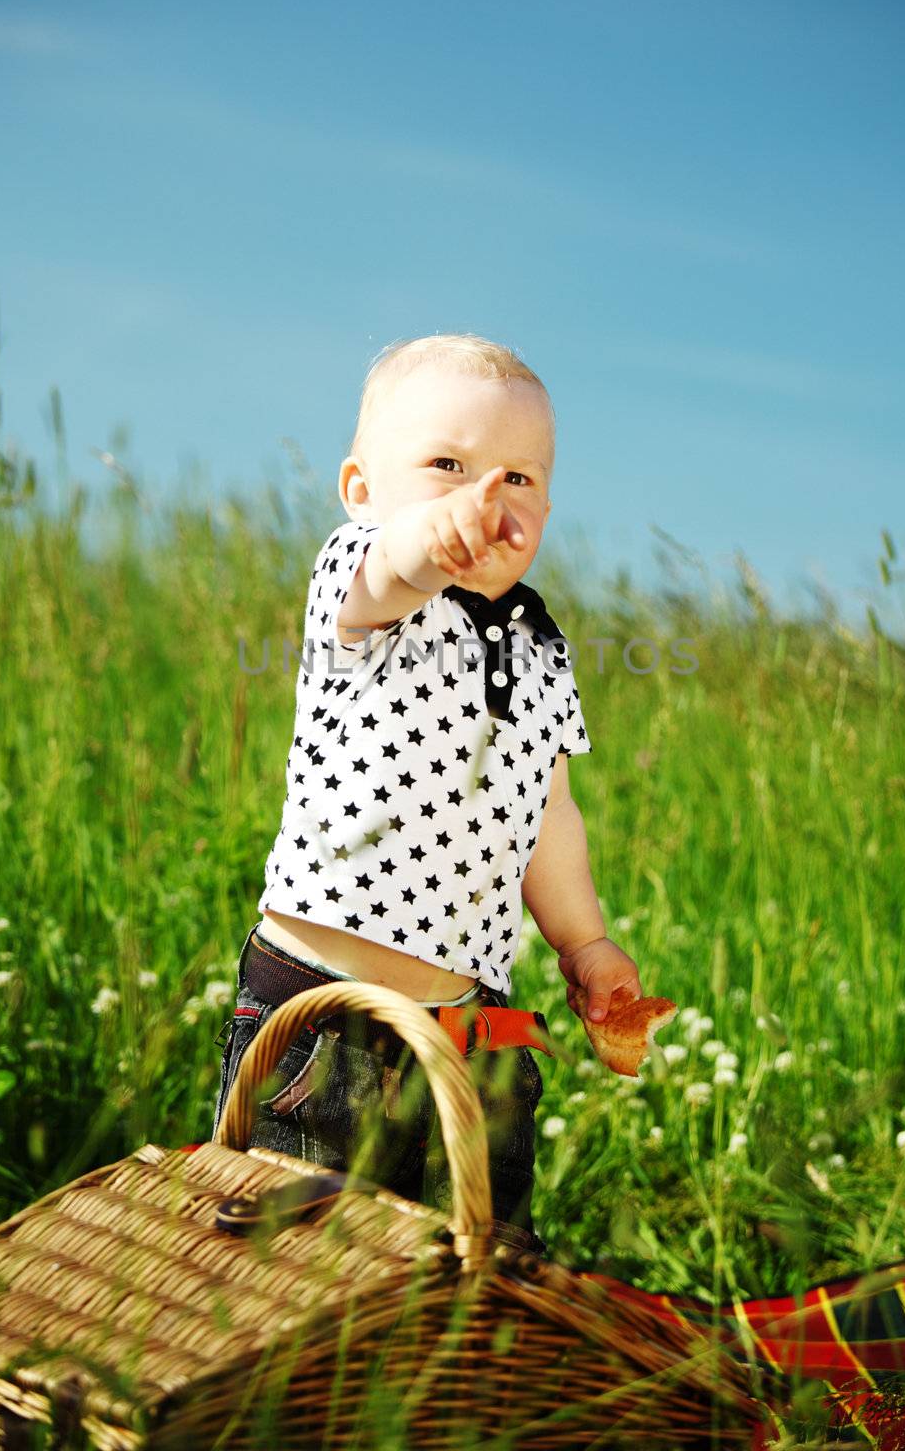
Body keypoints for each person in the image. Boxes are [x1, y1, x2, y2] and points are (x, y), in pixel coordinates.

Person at [212, 333, 642, 1251]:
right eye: (446, 465)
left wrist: (585, 941)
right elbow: (394, 567)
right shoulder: (361, 584)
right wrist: (424, 546)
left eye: (518, 478)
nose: (484, 499)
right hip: (323, 1018)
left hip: (470, 1030)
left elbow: (548, 810)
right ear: (361, 489)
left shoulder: (539, 650)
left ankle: (445, 1385)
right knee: (294, 1255)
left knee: (474, 1259)